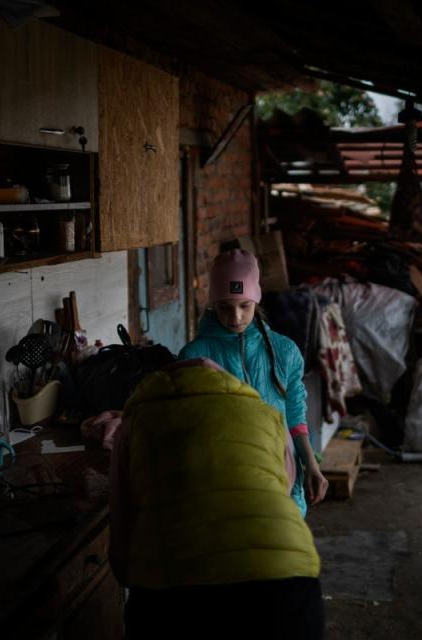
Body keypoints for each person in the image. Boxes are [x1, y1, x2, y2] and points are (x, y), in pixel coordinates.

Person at [109, 359, 323, 638]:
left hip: (174, 588)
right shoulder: (267, 414)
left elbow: (122, 533)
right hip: (284, 577)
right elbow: (283, 490)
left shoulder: (134, 423)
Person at [179, 248, 328, 516]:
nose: (236, 317)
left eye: (244, 305)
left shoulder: (285, 352)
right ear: (213, 304)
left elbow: (295, 417)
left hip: (282, 478)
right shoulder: (195, 357)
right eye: (225, 307)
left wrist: (311, 465)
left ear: (256, 300)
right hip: (223, 486)